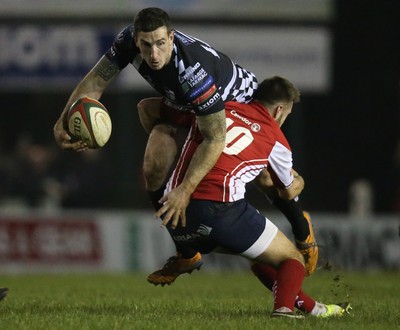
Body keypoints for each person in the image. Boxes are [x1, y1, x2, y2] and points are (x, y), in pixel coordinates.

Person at [153, 76, 350, 318]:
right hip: (219, 211)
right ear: (279, 110)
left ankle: (315, 309)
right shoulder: (276, 138)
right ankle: (284, 310)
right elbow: (286, 191)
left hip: (176, 215)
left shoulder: (219, 107)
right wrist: (301, 181)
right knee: (292, 258)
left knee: (261, 259)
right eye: (286, 115)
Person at [53, 6, 256, 223]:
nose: (154, 55)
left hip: (240, 107)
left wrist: (185, 190)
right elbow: (96, 81)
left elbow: (215, 137)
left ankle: (297, 233)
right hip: (191, 107)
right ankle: (175, 230)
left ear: (171, 37)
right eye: (146, 45)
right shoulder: (127, 41)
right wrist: (63, 121)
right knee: (149, 137)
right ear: (137, 40)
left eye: (160, 43)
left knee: (267, 182)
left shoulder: (192, 70)